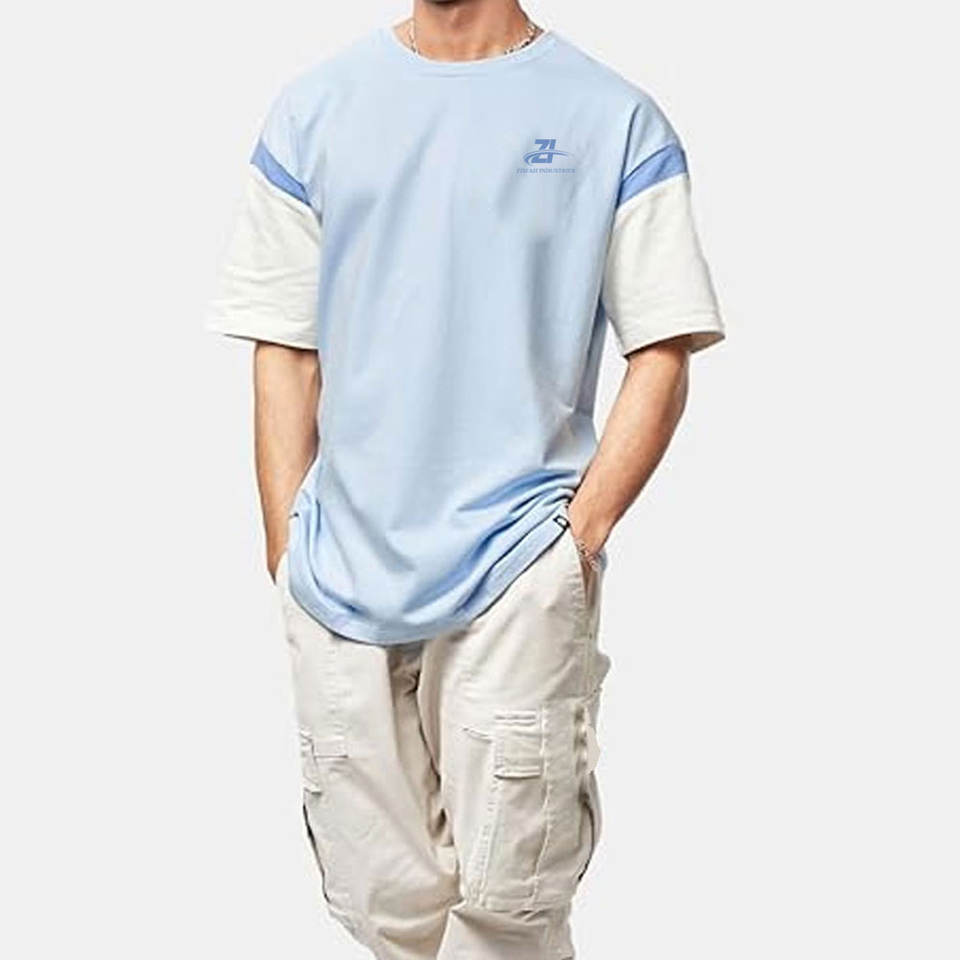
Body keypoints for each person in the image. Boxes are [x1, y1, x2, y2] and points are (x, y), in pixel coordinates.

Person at [208, 0, 723, 956]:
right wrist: (286, 547)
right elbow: (284, 345)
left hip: (515, 569)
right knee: (379, 903)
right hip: (339, 573)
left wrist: (576, 542)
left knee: (510, 902)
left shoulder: (613, 118)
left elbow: (663, 346)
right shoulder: (313, 110)